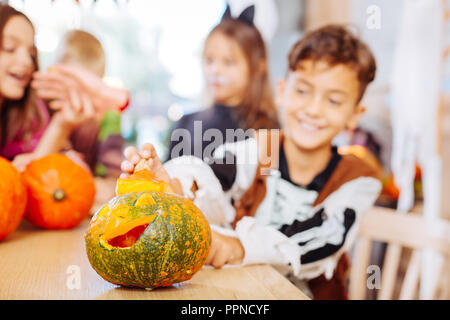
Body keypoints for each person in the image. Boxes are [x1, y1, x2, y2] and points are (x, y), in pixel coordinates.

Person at [121, 25, 382, 300]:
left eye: (333, 100)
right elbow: (216, 172)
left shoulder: (357, 177)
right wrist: (176, 186)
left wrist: (237, 246)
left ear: (355, 113)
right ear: (282, 91)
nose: (313, 109)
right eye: (303, 91)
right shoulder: (266, 150)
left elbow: (321, 237)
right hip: (242, 295)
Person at [167, 4, 278, 162]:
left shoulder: (266, 131)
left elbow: (266, 182)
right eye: (209, 60)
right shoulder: (185, 123)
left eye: (229, 62)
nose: (215, 70)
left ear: (258, 67)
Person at [0, 4, 93, 172]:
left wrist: (62, 124)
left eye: (31, 53)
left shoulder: (31, 114)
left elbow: (35, 179)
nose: (27, 61)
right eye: (10, 48)